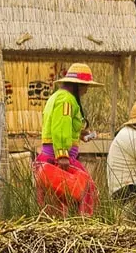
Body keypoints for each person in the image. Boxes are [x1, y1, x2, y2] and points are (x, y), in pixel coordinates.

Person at [35, 63, 100, 216]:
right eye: (85, 86)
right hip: (58, 160)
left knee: (56, 202)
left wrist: (79, 133)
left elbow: (61, 125)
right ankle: (85, 223)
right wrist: (63, 154)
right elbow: (60, 126)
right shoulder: (66, 99)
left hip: (51, 157)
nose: (86, 90)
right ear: (76, 85)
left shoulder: (56, 96)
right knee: (87, 190)